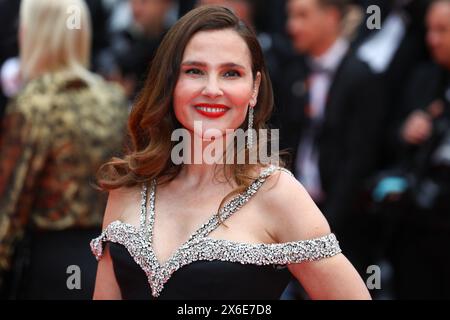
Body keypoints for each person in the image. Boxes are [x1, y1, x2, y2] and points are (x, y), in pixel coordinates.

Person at [91, 5, 371, 300]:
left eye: (231, 73)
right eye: (195, 71)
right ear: (170, 81)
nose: (212, 89)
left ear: (254, 88)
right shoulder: (130, 183)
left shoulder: (277, 194)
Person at [0, 0, 128, 299]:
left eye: (24, 24)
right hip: (107, 263)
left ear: (35, 33)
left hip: (48, 266)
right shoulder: (112, 99)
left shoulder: (35, 103)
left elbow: (10, 206)